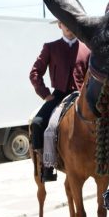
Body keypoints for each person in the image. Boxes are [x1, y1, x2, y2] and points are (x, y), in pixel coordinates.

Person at [29, 21, 90, 182]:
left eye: (70, 21)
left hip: (82, 97)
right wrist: (45, 94)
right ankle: (46, 165)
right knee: (37, 123)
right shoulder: (50, 47)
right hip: (58, 96)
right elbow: (35, 73)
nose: (68, 25)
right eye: (64, 22)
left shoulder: (87, 49)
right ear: (59, 25)